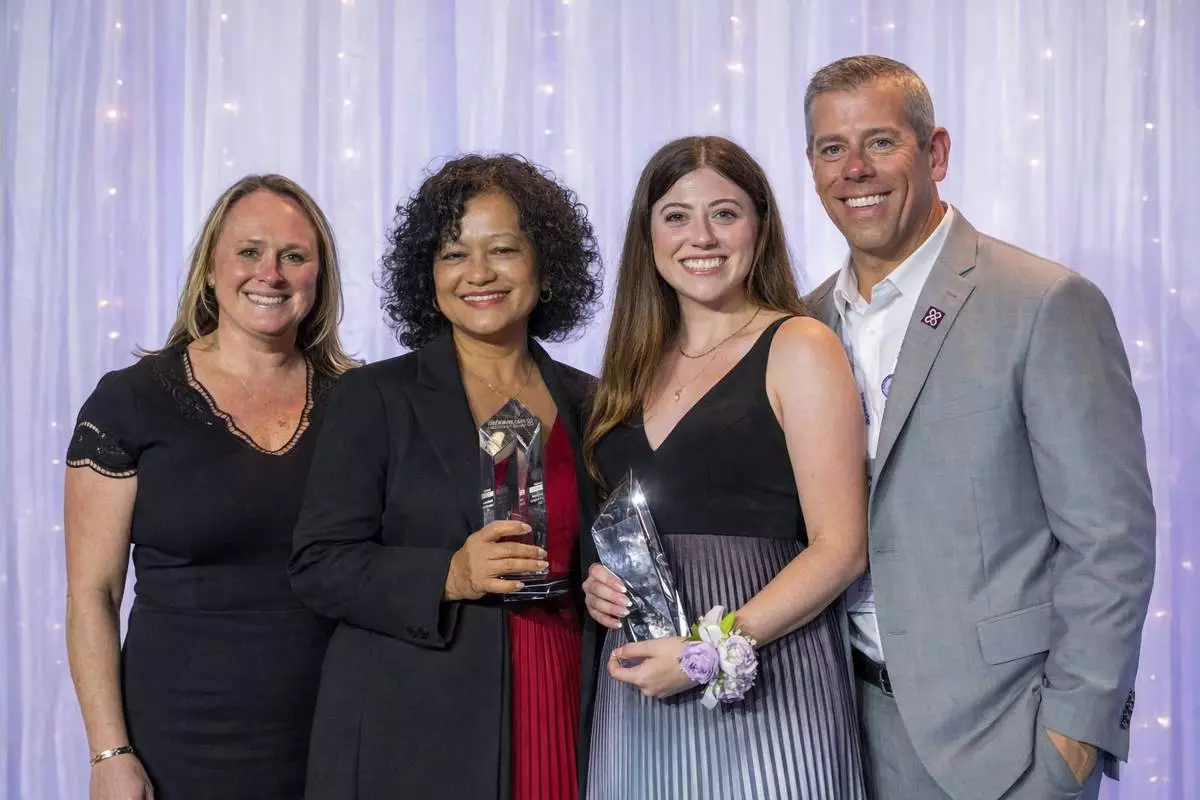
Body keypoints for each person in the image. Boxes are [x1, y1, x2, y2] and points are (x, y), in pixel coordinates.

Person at [801, 55, 1156, 800]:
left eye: (880, 142)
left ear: (935, 153)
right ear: (812, 166)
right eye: (832, 148)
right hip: (833, 731)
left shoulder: (1043, 302)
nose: (855, 169)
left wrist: (1074, 738)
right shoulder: (801, 326)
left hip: (1006, 742)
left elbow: (1110, 538)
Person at [289, 154, 604, 800]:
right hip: (415, 731)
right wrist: (449, 575)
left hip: (565, 698)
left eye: (504, 250)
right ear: (428, 275)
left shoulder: (594, 404)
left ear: (545, 267)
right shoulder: (374, 398)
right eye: (454, 254)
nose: (479, 273)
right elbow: (319, 565)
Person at [580, 135, 869, 799]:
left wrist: (707, 652)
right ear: (647, 235)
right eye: (676, 216)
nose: (701, 236)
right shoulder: (628, 372)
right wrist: (604, 583)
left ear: (760, 227)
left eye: (725, 213)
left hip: (770, 687)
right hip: (641, 695)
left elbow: (841, 550)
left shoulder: (799, 345)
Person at [64, 174, 357, 799]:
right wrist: (108, 753)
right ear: (211, 268)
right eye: (249, 251)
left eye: (294, 256)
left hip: (336, 733)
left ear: (318, 278)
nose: (270, 273)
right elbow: (93, 593)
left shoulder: (361, 403)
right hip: (178, 741)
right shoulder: (129, 400)